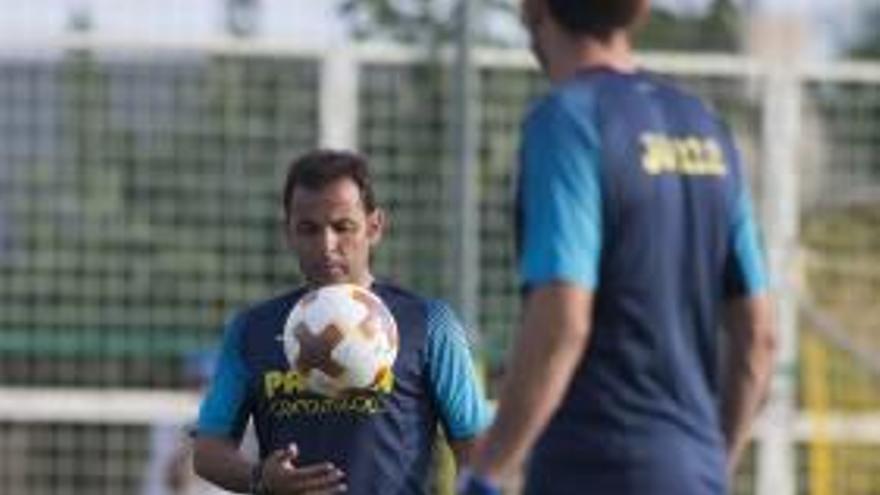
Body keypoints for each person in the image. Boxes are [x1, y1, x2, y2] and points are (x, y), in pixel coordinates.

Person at [461, 1, 777, 494]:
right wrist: (713, 465)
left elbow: (563, 321)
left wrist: (488, 471)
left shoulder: (567, 121)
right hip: (694, 472)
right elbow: (758, 337)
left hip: (596, 467)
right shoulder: (707, 128)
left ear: (535, 10)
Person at [193, 149, 491, 495]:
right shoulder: (252, 329)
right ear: (288, 231)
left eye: (342, 227)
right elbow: (208, 450)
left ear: (374, 226)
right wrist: (260, 478)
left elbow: (476, 446)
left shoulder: (427, 322)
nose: (326, 244)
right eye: (309, 229)